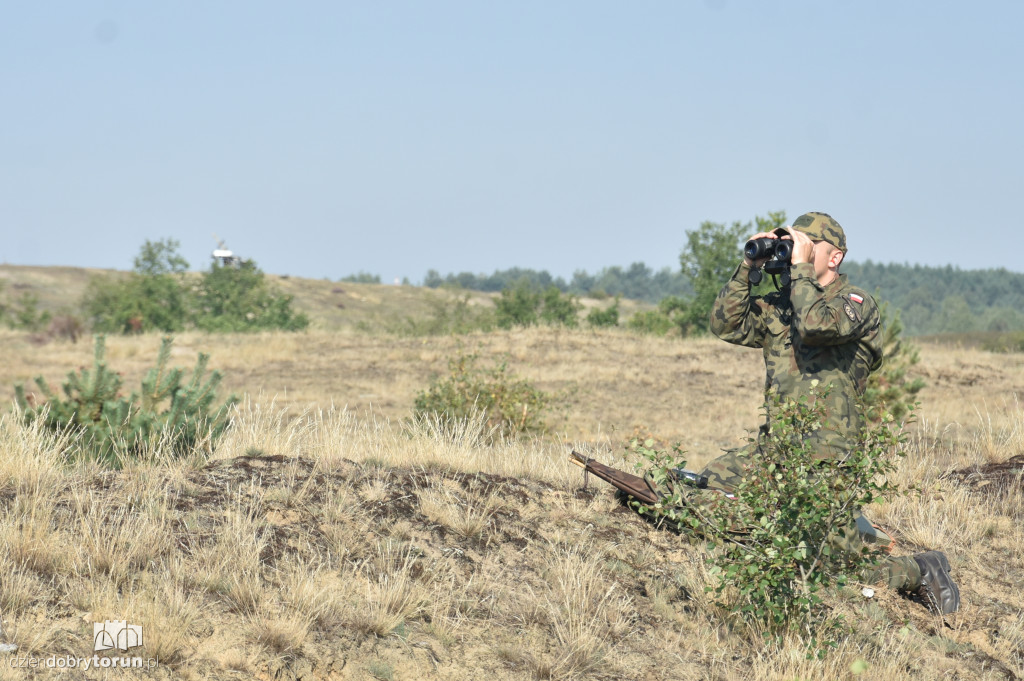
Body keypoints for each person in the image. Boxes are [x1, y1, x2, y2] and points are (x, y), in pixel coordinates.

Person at [701, 211, 959, 615]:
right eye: (789, 245)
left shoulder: (855, 303)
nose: (793, 252)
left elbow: (816, 326)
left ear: (834, 257)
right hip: (777, 449)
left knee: (834, 568)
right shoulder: (781, 306)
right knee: (710, 484)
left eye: (805, 245)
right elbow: (726, 324)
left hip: (827, 456)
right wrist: (748, 267)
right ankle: (797, 540)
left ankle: (918, 569)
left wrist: (801, 271)